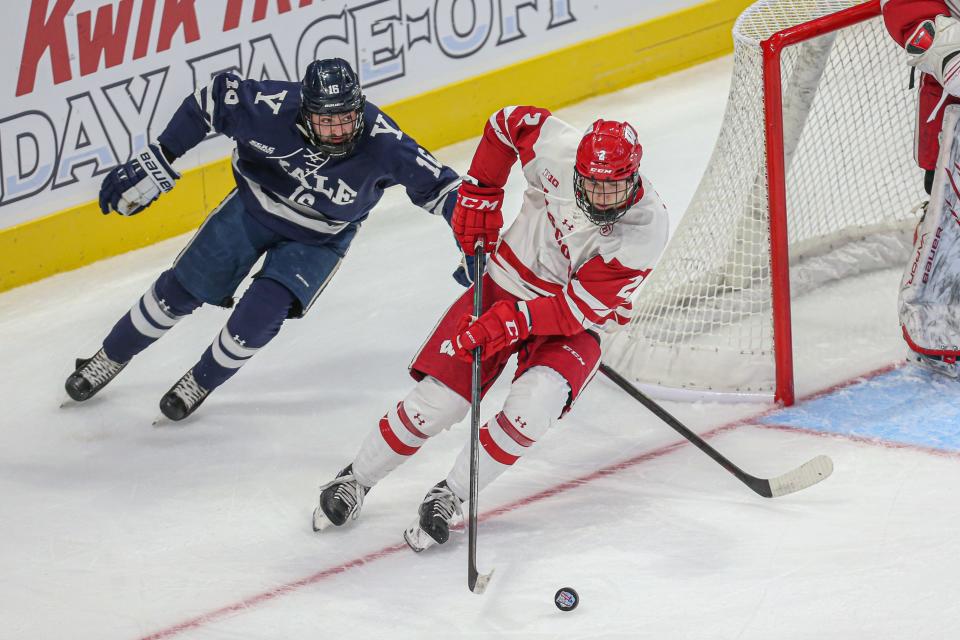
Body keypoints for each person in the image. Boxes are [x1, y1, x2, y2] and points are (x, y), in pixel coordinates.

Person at [311, 106, 669, 551]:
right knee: (436, 405)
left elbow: (573, 311)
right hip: (506, 283)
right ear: (577, 168)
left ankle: (451, 495)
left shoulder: (645, 231)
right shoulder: (556, 149)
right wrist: (483, 189)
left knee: (533, 409)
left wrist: (511, 324)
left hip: (573, 323)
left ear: (633, 180)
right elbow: (507, 123)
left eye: (613, 188)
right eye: (592, 184)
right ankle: (357, 479)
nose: (600, 198)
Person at [63, 58, 463, 421]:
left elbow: (445, 190)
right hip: (251, 208)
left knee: (259, 317)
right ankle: (108, 358)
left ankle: (201, 381)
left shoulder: (384, 141)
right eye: (327, 121)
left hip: (319, 238)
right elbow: (209, 101)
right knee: (178, 293)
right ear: (305, 114)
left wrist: (471, 237)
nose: (339, 131)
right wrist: (161, 155)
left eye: (346, 119)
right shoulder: (271, 106)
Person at [883, 1, 960, 375]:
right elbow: (906, 8)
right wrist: (948, 47)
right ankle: (942, 340)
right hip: (954, 122)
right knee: (948, 229)